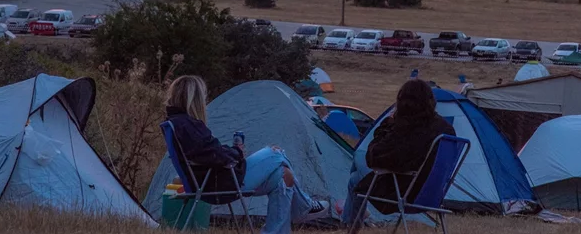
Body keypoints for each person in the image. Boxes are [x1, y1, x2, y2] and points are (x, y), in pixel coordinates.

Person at [165, 76, 328, 234]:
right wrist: (237, 152)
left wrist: (231, 152)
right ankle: (304, 207)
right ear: (194, 99)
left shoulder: (177, 124)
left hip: (213, 181)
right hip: (221, 182)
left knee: (282, 177)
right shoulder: (187, 126)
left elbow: (207, 153)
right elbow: (214, 155)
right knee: (276, 153)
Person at [343, 79, 456, 226]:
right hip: (432, 195)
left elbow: (376, 159)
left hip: (403, 192)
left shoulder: (406, 130)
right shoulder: (445, 129)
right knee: (357, 174)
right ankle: (352, 217)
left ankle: (348, 224)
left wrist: (387, 125)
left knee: (356, 170)